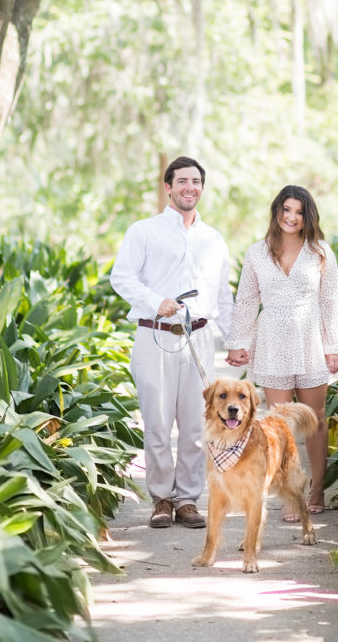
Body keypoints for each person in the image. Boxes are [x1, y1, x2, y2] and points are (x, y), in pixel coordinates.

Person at [110, 156, 234, 529]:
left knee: (197, 425)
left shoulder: (213, 239)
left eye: (196, 181)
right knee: (158, 424)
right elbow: (122, 277)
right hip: (154, 335)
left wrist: (236, 340)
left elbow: (223, 296)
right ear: (168, 187)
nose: (189, 188)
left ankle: (187, 501)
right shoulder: (143, 231)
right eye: (182, 181)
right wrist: (154, 300)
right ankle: (162, 498)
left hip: (198, 337)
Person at [225, 185, 338, 517]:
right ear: (276, 211)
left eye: (299, 212)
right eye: (287, 210)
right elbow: (248, 300)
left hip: (311, 340)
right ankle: (290, 495)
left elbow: (332, 301)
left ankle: (317, 491)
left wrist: (336, 346)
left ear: (308, 216)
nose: (292, 217)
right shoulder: (257, 252)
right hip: (272, 339)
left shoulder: (320, 251)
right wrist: (238, 343)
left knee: (315, 420)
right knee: (280, 425)